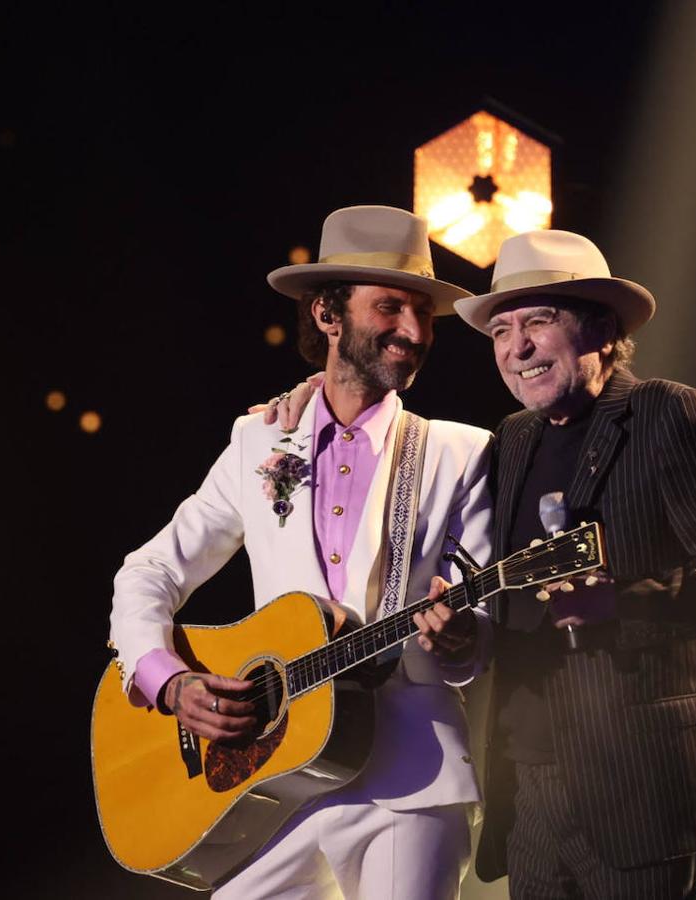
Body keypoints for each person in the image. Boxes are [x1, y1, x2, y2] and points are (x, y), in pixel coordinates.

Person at [267, 229, 696, 898]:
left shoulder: (667, 413)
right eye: (500, 331)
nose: (516, 347)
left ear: (601, 328)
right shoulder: (512, 439)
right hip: (527, 793)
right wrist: (306, 402)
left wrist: (626, 604)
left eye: (539, 322)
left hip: (640, 789)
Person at [109, 205, 496, 899]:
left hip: (412, 781)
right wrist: (172, 680)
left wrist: (461, 639)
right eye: (391, 308)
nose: (412, 332)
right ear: (327, 315)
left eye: (423, 314)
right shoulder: (259, 441)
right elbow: (151, 570)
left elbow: (490, 630)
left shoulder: (459, 452)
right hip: (276, 780)